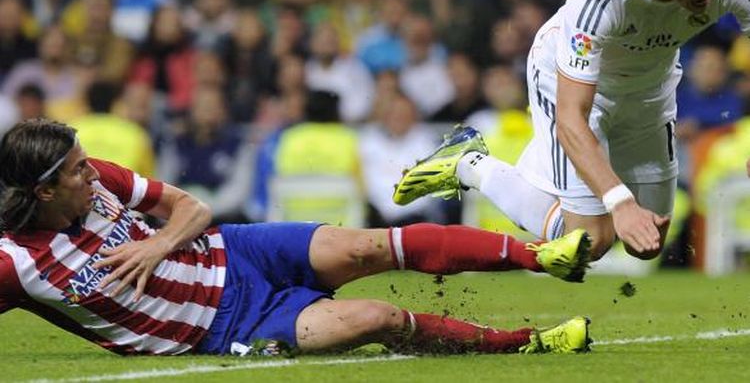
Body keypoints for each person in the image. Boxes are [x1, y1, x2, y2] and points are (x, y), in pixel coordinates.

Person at [0, 118, 591, 356]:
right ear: (45, 192)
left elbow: (191, 206)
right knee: (378, 319)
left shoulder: (99, 175)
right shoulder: (14, 264)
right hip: (227, 328)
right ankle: (526, 345)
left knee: (370, 245)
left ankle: (544, 256)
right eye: (77, 170)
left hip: (236, 251)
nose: (91, 170)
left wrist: (157, 244)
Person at [395, 0, 750, 262]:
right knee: (589, 242)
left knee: (648, 241)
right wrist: (619, 201)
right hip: (572, 85)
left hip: (649, 89)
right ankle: (469, 163)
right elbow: (571, 117)